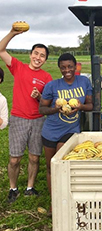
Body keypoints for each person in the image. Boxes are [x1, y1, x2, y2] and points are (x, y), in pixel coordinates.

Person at [0, 27, 52, 203]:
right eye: (36, 54)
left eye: (42, 55)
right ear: (30, 55)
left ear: (45, 60)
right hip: (19, 118)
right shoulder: (18, 67)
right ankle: (13, 189)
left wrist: (39, 98)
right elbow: (0, 50)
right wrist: (13, 33)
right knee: (15, 159)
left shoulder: (47, 78)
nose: (38, 58)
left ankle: (30, 187)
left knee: (34, 157)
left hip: (38, 120)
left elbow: (48, 104)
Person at [39, 53, 93, 212]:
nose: (67, 70)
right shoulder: (52, 85)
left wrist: (80, 107)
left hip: (70, 131)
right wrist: (56, 109)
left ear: (76, 66)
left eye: (70, 66)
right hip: (50, 131)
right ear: (59, 68)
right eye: (63, 67)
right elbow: (42, 109)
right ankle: (54, 203)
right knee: (50, 167)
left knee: (61, 164)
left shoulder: (83, 81)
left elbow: (91, 105)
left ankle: (67, 200)